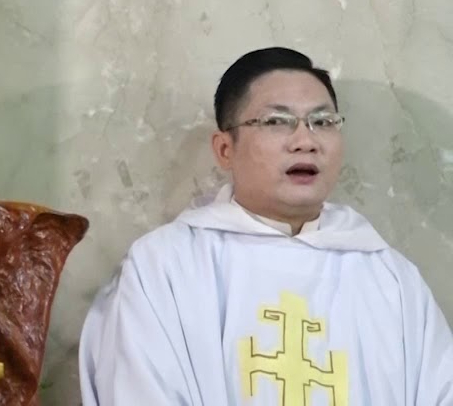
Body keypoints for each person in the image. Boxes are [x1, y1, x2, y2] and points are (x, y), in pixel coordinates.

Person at [79, 46, 453, 405]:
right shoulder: (165, 267)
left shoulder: (391, 279)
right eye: (277, 122)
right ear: (225, 149)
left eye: (323, 122)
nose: (306, 141)